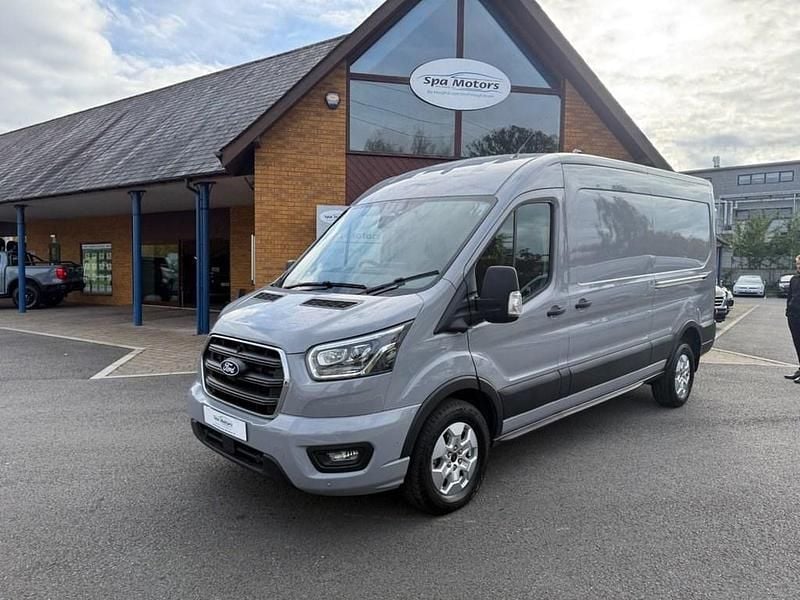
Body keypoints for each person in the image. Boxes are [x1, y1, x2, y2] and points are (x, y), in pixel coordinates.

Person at [785, 254, 800, 381]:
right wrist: (788, 311)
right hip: (793, 316)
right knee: (797, 343)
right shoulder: (794, 279)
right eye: (797, 263)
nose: (798, 266)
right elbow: (790, 296)